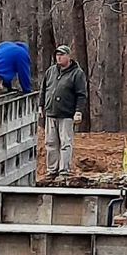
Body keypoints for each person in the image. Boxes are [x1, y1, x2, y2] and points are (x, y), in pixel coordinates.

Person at [40, 42, 89, 182]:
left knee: (66, 143)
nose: (58, 57)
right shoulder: (51, 71)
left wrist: (78, 111)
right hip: (51, 113)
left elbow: (81, 94)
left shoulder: (77, 73)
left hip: (67, 114)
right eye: (57, 55)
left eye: (61, 55)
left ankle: (64, 171)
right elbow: (44, 89)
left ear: (68, 56)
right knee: (50, 143)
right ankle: (52, 170)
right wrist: (40, 106)